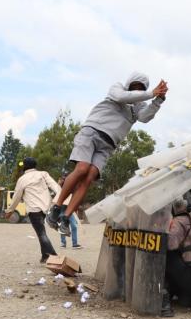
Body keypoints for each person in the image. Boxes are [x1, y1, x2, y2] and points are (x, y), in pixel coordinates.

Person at [47, 72, 168, 235]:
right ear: (129, 84)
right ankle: (56, 207)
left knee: (89, 178)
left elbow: (145, 117)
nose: (138, 91)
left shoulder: (138, 106)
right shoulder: (117, 89)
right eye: (135, 87)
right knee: (82, 169)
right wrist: (150, 93)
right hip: (92, 132)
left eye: (141, 89)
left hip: (108, 145)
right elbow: (121, 96)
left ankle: (66, 217)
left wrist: (158, 100)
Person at [6, 157, 60, 263]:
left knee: (41, 233)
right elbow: (56, 187)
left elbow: (16, 197)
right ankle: (44, 256)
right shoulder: (43, 174)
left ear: (25, 167)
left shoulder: (22, 179)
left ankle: (53, 256)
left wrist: (10, 211)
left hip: (34, 209)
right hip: (47, 207)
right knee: (41, 232)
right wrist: (60, 200)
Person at [56, 173, 82, 249]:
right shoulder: (59, 188)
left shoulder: (72, 188)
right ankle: (63, 243)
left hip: (69, 209)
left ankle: (75, 244)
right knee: (62, 226)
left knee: (74, 226)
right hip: (61, 209)